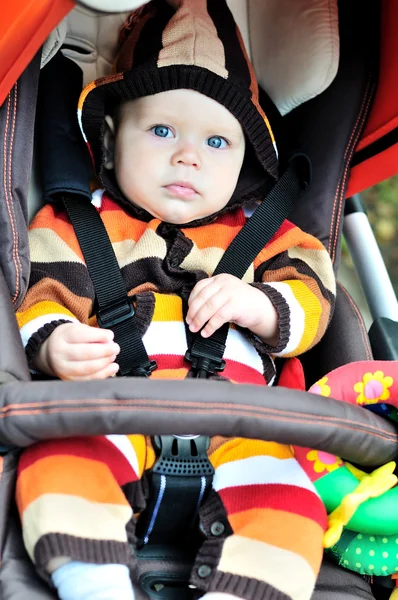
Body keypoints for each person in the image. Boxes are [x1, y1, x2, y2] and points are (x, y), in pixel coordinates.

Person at [15, 1, 337, 599]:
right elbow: (41, 295)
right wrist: (56, 343)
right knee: (59, 464)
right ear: (110, 141)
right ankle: (94, 583)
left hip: (244, 424)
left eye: (218, 140)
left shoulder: (267, 238)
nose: (188, 155)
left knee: (291, 505)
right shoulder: (72, 224)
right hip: (112, 407)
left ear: (247, 161)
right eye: (161, 130)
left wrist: (258, 305)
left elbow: (314, 300)